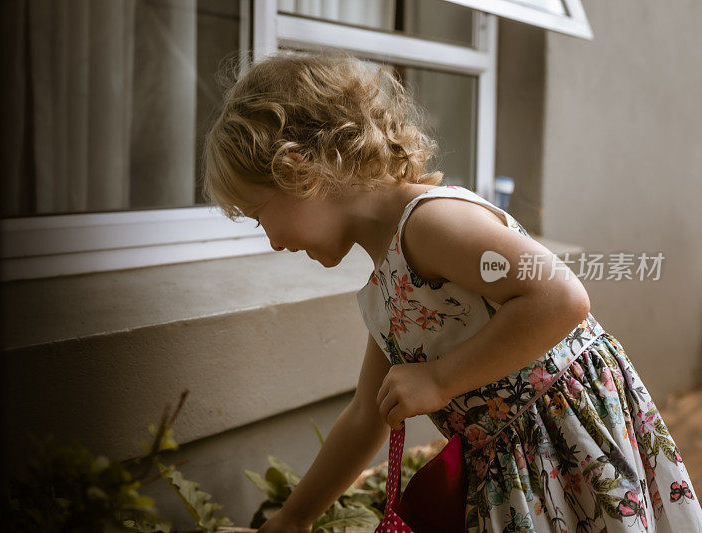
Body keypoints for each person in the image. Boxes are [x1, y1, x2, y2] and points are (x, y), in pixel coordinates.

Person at [201, 49, 702, 533]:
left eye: (259, 214)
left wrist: (439, 379)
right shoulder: (385, 286)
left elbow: (561, 298)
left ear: (300, 169)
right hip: (517, 471)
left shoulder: (430, 224)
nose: (271, 240)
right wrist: (293, 520)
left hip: (568, 445)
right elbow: (364, 416)